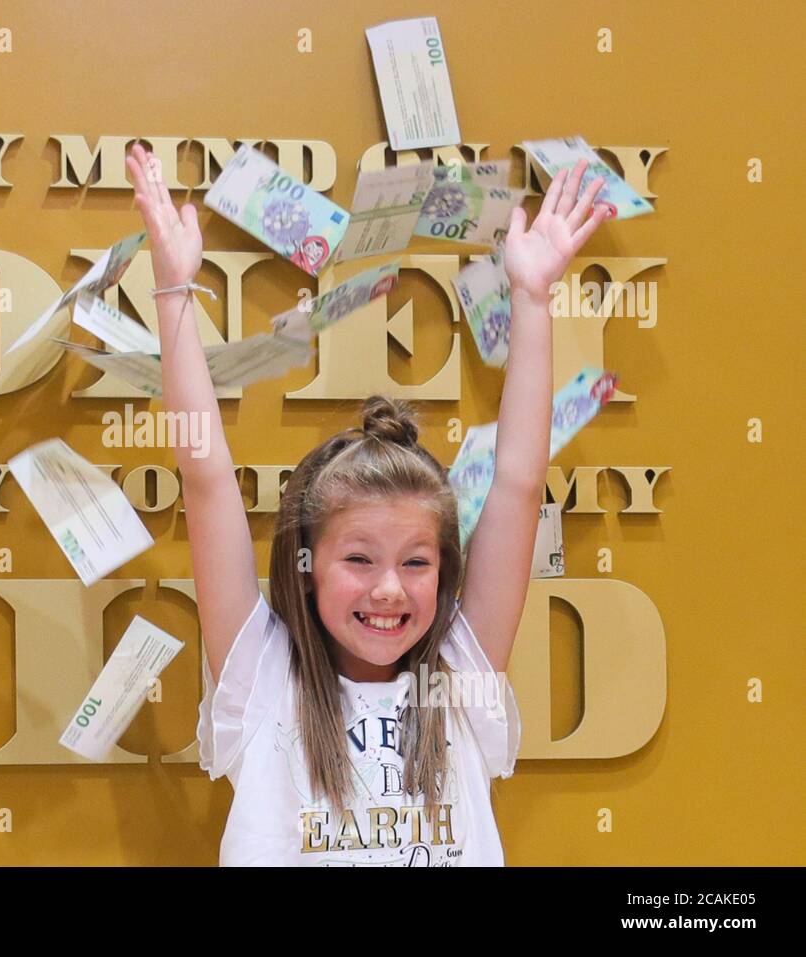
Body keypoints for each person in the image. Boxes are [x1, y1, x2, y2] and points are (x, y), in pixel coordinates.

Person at [125, 143, 609, 866]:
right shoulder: (263, 677)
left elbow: (516, 479)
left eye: (416, 561)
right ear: (306, 562)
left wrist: (533, 299)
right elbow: (207, 477)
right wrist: (172, 290)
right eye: (358, 557)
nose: (389, 587)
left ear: (444, 570)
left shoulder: (461, 674)